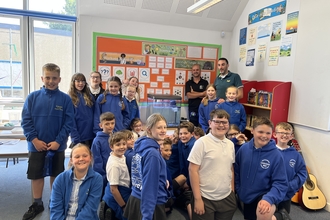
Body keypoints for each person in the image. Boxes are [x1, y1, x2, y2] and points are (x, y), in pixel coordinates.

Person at [21, 63, 74, 220]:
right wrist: (34, 139)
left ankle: (55, 201)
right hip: (36, 145)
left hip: (56, 146)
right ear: (42, 78)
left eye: (54, 78)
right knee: (36, 175)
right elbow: (26, 120)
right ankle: (37, 203)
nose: (51, 81)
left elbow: (69, 122)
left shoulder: (65, 99)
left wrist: (58, 141)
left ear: (59, 79)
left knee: (56, 174)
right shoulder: (32, 97)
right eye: (48, 78)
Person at [234, 117, 289, 220]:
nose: (264, 136)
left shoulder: (276, 155)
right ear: (252, 131)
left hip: (264, 195)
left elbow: (281, 183)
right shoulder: (244, 149)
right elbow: (236, 171)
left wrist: (268, 199)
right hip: (245, 194)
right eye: (260, 132)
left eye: (268, 133)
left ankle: (278, 216)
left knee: (263, 212)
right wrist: (239, 188)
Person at [188, 109, 237, 220]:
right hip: (205, 197)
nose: (221, 125)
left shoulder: (230, 144)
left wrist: (232, 192)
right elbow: (192, 170)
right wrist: (198, 199)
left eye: (224, 122)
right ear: (210, 123)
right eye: (217, 121)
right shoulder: (202, 143)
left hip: (226, 197)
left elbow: (230, 168)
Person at [123, 113, 168, 220]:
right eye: (159, 127)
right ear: (149, 129)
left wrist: (162, 180)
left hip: (137, 197)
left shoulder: (141, 145)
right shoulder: (152, 153)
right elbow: (149, 186)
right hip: (150, 204)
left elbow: (140, 173)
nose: (163, 130)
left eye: (165, 127)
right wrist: (147, 216)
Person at [50, 143, 103, 219]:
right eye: (77, 157)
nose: (81, 159)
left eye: (85, 156)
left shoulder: (97, 179)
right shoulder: (60, 179)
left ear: (90, 158)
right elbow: (55, 208)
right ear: (71, 160)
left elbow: (90, 209)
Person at [273, 122, 307, 219]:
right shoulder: (270, 152)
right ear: (275, 134)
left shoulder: (296, 155)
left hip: (286, 194)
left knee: (283, 215)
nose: (284, 135)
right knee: (269, 215)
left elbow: (302, 173)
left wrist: (290, 186)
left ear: (291, 136)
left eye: (287, 133)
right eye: (281, 132)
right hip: (270, 192)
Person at [101, 131, 132, 220]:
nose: (122, 147)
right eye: (118, 145)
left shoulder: (121, 156)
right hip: (119, 191)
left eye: (124, 144)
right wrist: (123, 206)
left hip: (123, 187)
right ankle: (109, 210)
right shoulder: (114, 164)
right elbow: (114, 189)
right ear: (111, 147)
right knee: (123, 214)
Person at [68, 73, 95, 148]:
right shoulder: (69, 98)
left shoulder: (89, 96)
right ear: (73, 82)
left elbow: (95, 115)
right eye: (78, 81)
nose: (81, 83)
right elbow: (70, 120)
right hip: (78, 136)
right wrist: (75, 137)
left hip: (91, 135)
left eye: (83, 81)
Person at [91, 112, 115, 191]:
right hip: (103, 174)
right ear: (101, 125)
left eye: (112, 123)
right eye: (107, 124)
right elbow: (96, 160)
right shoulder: (97, 141)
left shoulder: (115, 137)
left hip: (114, 170)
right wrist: (102, 176)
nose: (110, 126)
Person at [159, 137, 175, 213]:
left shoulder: (164, 162)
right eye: (166, 150)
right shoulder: (161, 165)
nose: (169, 153)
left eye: (170, 150)